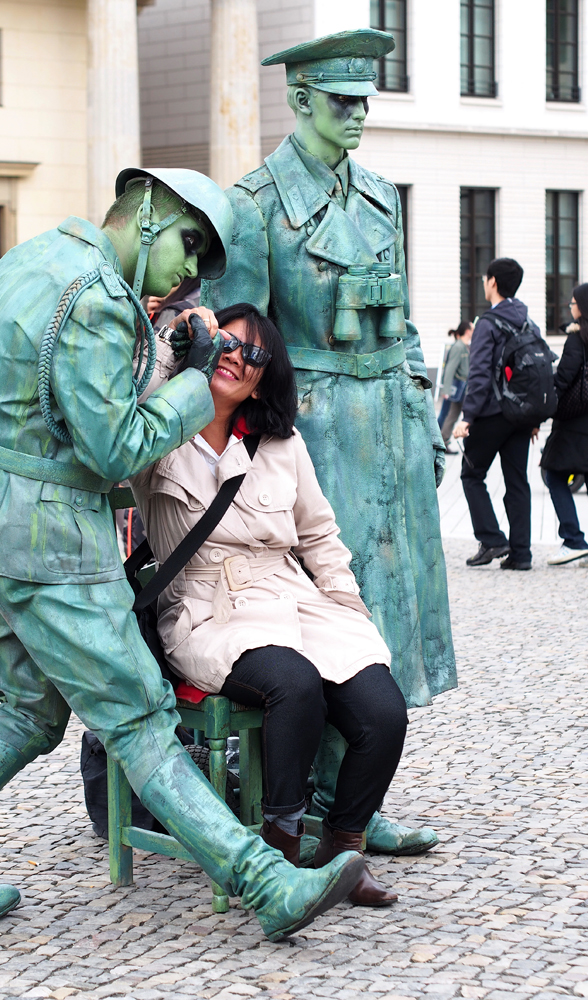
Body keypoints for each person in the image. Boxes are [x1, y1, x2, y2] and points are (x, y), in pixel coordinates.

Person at [0, 166, 366, 941]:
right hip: (47, 541)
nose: (191, 274)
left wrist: (157, 349)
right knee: (141, 718)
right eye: (190, 247)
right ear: (151, 211)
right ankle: (266, 884)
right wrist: (195, 381)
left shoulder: (33, 257)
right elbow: (111, 446)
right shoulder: (95, 294)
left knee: (29, 709)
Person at [204, 28, 451, 855]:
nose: (359, 115)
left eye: (365, 101)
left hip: (386, 425)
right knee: (316, 611)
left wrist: (424, 409)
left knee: (381, 611)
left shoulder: (380, 193)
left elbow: (408, 322)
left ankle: (355, 797)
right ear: (301, 100)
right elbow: (237, 345)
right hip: (310, 432)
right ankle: (306, 801)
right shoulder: (254, 206)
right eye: (342, 101)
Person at [130, 303, 407, 907]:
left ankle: (343, 850)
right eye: (224, 341)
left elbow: (320, 536)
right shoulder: (156, 430)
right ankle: (279, 858)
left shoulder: (282, 444)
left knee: (383, 710)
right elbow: (132, 386)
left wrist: (349, 611)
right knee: (295, 683)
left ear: (265, 375)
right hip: (208, 607)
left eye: (252, 353)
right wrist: (179, 342)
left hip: (294, 599)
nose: (235, 356)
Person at [453, 258, 538, 571]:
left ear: (492, 282)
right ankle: (521, 555)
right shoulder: (528, 320)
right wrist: (532, 420)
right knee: (518, 482)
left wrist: (467, 417)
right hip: (521, 415)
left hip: (492, 414)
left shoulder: (488, 323)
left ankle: (491, 539)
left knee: (471, 474)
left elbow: (478, 375)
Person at [541, 283, 588, 565]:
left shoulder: (577, 338)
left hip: (574, 423)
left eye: (572, 303)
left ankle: (574, 540)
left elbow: (563, 379)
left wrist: (543, 409)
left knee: (554, 475)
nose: (570, 308)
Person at [437, 321, 472, 452]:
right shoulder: (458, 347)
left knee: (453, 415)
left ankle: (444, 442)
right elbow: (450, 369)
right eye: (472, 329)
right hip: (460, 387)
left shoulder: (464, 346)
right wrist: (446, 390)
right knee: (462, 414)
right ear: (467, 331)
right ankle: (444, 442)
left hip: (463, 387)